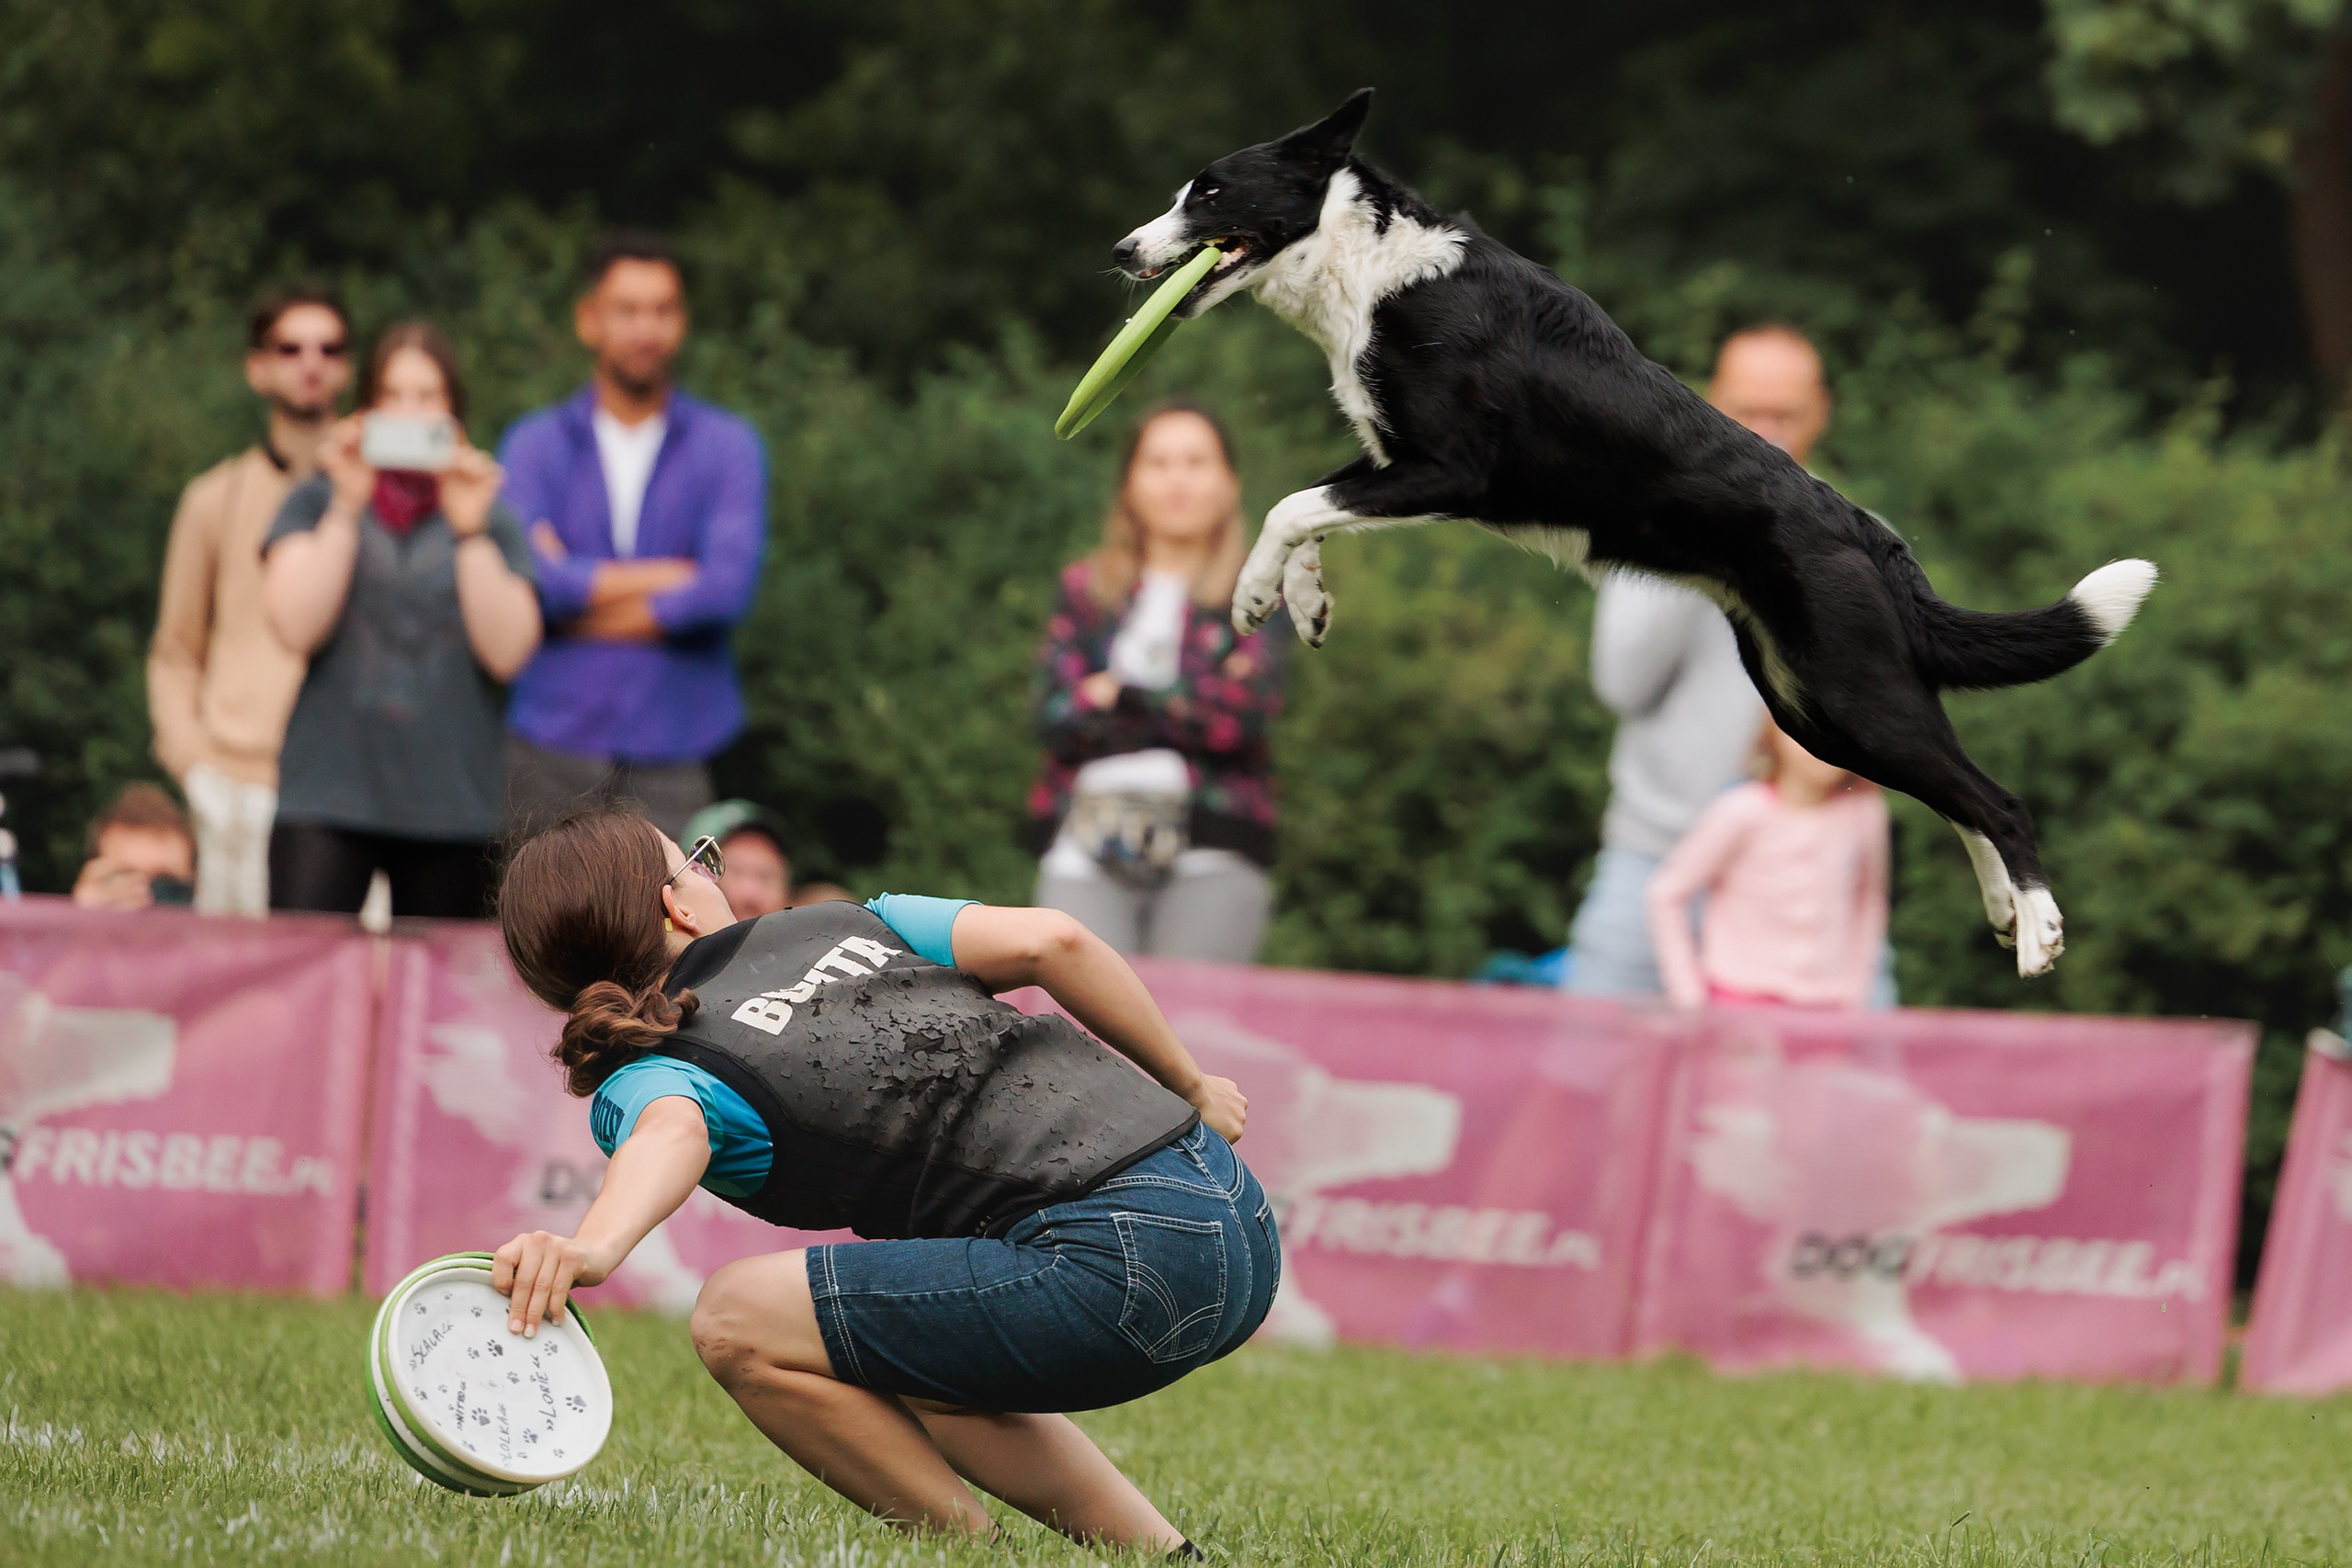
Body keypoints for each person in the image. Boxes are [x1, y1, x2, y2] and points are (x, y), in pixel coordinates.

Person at [490, 808, 1271, 1551]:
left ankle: (972, 1552)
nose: (713, 874)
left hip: (1121, 1274)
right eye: (702, 861)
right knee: (909, 1355)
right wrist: (1192, 1085)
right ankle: (1167, 1555)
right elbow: (1054, 939)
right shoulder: (854, 919)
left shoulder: (653, 1069)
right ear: (678, 907)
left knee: (736, 1316)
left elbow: (672, 1130)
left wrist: (594, 1246)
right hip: (1240, 1217)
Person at [1563, 326, 1820, 997]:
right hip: (1653, 855)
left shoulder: (1853, 540)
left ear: (1819, 414)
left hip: (1801, 876)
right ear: (1710, 404)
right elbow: (1622, 684)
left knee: (1848, 1063)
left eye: (1785, 415)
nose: (1766, 433)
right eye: (1748, 411)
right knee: (1586, 1053)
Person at [260, 321, 541, 918]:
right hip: (327, 793)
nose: (410, 413)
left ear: (454, 413)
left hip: (454, 804)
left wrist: (471, 530)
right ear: (365, 410)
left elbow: (509, 652)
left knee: (445, 978)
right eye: (392, 396)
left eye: (427, 396)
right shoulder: (317, 499)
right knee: (303, 967)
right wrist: (345, 504)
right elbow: (296, 627)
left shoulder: (490, 514)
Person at [498, 231, 768, 841]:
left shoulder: (728, 446)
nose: (646, 328)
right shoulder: (534, 444)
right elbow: (531, 578)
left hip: (679, 739)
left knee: (677, 904)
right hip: (551, 739)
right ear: (589, 319)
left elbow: (724, 590)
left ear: (682, 322)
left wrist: (572, 609)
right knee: (539, 903)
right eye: (627, 310)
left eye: (662, 310)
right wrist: (673, 574)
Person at [1028, 401, 1284, 962]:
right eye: (1159, 462)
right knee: (1083, 1013)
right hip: (1083, 846)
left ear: (1229, 483)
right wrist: (1181, 703)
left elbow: (1240, 717)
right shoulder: (1084, 589)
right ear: (1129, 484)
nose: (1177, 480)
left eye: (1195, 462)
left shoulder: (1260, 592)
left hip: (1214, 849)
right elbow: (1053, 716)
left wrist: (1118, 696)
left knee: (1189, 1013)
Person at [147, 287, 352, 916]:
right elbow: (175, 651)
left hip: (351, 792)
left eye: (329, 348)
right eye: (290, 348)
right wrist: (193, 764)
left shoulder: (377, 501)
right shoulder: (215, 499)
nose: (311, 363)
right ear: (257, 367)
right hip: (235, 783)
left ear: (348, 367)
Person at [1645, 719, 1891, 1010]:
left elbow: (1870, 898)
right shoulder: (1741, 810)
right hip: (1738, 1006)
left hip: (1829, 1010)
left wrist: (1856, 989)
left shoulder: (1865, 813)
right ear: (1775, 732)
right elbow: (1667, 892)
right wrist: (1688, 997)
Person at [69, 784, 198, 911]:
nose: (143, 897)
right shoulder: (85, 912)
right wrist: (82, 916)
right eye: (124, 880)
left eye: (166, 886)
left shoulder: (204, 911)